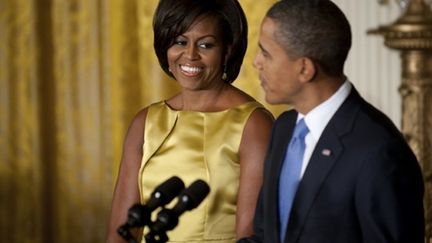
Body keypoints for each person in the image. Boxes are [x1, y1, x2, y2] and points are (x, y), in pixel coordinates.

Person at [238, 0, 425, 243]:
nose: (256, 63)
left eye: (266, 53)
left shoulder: (379, 152)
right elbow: (265, 236)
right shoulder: (283, 129)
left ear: (305, 69)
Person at [106, 0, 274, 242]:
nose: (190, 55)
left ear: (227, 50)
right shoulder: (144, 122)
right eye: (180, 42)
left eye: (206, 45)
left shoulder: (254, 124)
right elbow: (119, 233)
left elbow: (250, 235)